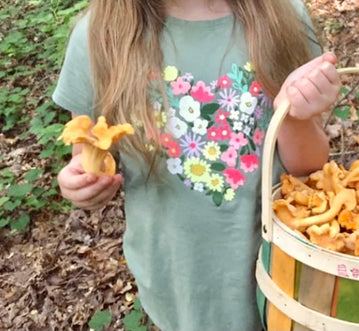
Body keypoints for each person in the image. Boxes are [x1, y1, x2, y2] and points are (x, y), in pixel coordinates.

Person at [53, 0, 341, 330]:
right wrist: (81, 182)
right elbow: (87, 154)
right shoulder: (99, 35)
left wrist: (295, 114)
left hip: (278, 273)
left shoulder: (282, 15)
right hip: (175, 280)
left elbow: (310, 168)